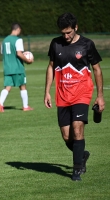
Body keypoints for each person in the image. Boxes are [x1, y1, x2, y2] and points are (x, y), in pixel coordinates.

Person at [44, 13, 105, 181]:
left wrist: (100, 96)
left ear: (76, 27)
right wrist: (47, 91)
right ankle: (82, 154)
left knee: (77, 128)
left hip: (82, 93)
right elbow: (51, 67)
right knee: (66, 136)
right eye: (63, 33)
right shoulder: (56, 44)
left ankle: (77, 169)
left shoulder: (87, 44)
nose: (66, 36)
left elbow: (97, 69)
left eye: (69, 32)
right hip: (62, 95)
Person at [0, 23, 34, 112]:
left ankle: (0, 104)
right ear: (18, 29)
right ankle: (25, 106)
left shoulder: (4, 40)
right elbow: (19, 53)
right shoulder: (18, 40)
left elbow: (3, 53)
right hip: (17, 67)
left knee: (7, 87)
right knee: (23, 86)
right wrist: (27, 60)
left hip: (7, 68)